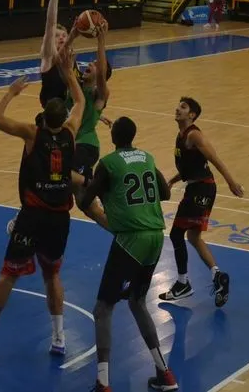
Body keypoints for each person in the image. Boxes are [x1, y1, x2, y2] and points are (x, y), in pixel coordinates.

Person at [0, 55, 85, 358]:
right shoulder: (71, 132)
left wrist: (11, 93)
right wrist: (69, 73)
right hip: (59, 219)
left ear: (43, 117)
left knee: (8, 275)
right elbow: (80, 102)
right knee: (52, 276)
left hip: (32, 216)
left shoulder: (33, 134)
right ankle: (59, 338)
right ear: (64, 118)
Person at [81, 116, 178, 392]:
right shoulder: (146, 157)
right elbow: (165, 193)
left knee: (103, 309)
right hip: (156, 236)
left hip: (131, 239)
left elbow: (86, 200)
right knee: (137, 301)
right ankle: (165, 374)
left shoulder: (109, 163)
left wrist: (91, 189)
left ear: (113, 136)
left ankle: (103, 383)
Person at [159, 97, 245, 307]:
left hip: (201, 189)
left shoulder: (194, 135)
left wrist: (231, 182)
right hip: (198, 187)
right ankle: (218, 276)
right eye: (178, 105)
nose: (177, 109)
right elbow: (189, 167)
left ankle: (183, 283)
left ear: (192, 115)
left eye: (183, 107)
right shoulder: (181, 136)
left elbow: (214, 159)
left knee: (176, 234)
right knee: (193, 236)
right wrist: (173, 180)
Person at [70, 19, 112, 184]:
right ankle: (93, 187)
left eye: (95, 64)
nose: (90, 63)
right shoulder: (76, 86)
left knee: (63, 176)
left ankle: (92, 185)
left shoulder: (100, 94)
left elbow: (101, 73)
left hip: (86, 145)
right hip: (70, 141)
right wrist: (72, 36)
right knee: (80, 195)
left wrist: (101, 41)